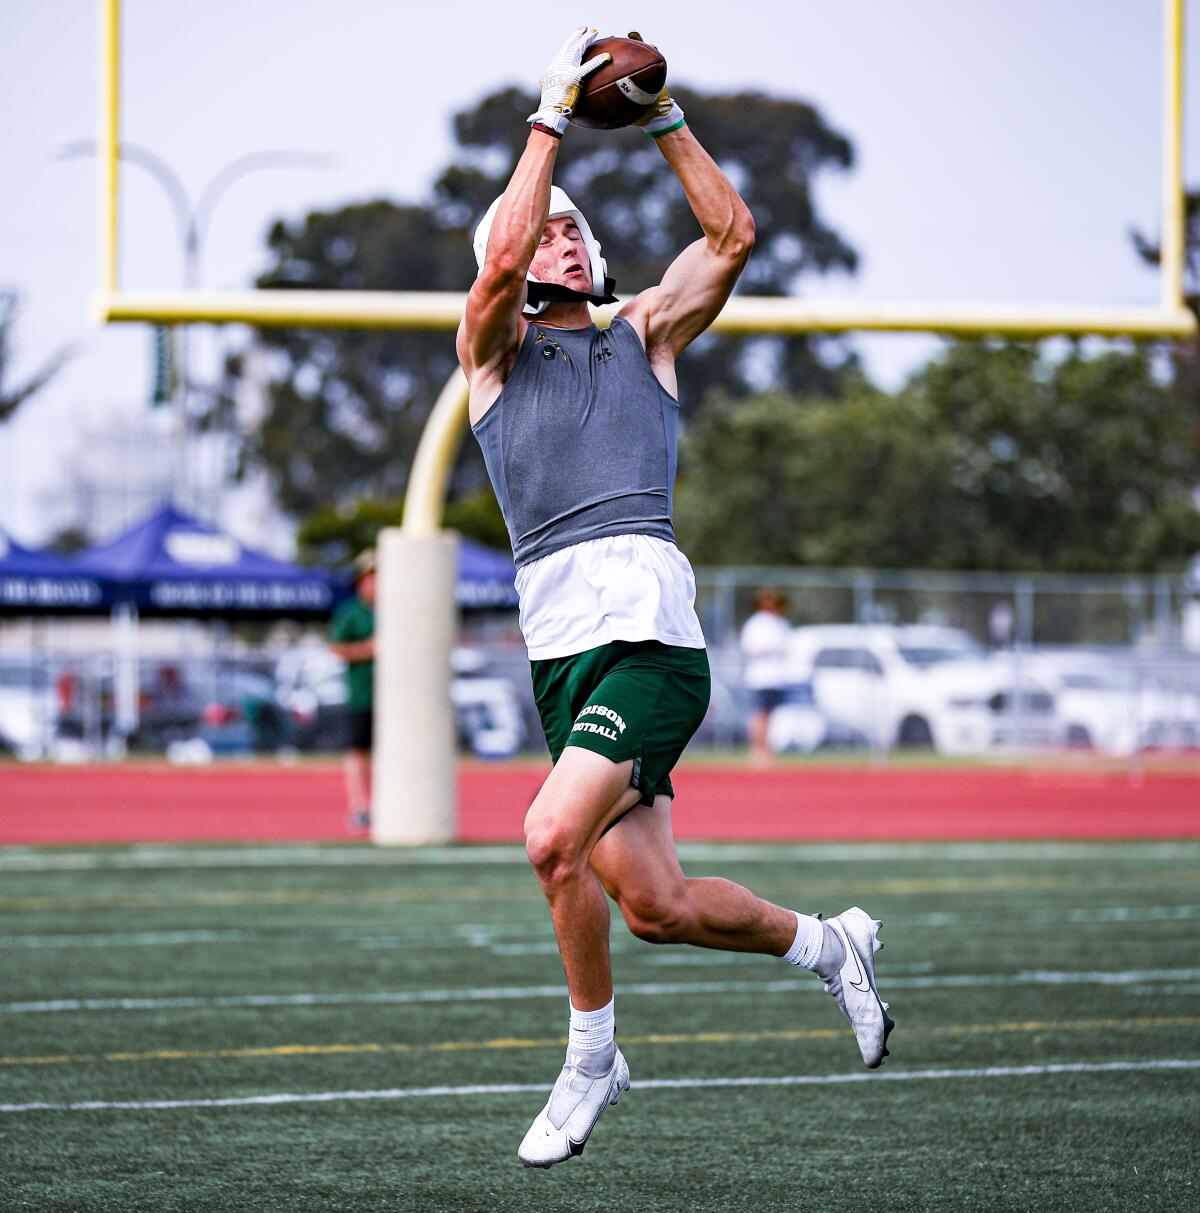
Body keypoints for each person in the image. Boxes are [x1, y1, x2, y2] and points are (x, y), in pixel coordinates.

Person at [457, 28, 894, 1169]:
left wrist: (660, 117)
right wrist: (548, 119)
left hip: (650, 640)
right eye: (543, 226)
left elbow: (733, 234)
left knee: (549, 837)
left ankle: (592, 1053)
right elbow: (498, 264)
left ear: (593, 260)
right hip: (564, 655)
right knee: (654, 903)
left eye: (571, 228)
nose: (557, 234)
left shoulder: (642, 333)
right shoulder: (491, 354)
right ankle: (829, 945)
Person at [328, 550, 376, 832]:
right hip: (361, 694)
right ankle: (359, 806)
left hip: (393, 700)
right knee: (358, 752)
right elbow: (337, 648)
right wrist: (368, 649)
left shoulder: (396, 609)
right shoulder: (352, 613)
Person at [740, 588, 793, 766]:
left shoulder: (780, 623)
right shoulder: (756, 624)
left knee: (770, 715)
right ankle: (758, 751)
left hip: (776, 677)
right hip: (761, 677)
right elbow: (751, 649)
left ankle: (767, 750)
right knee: (760, 714)